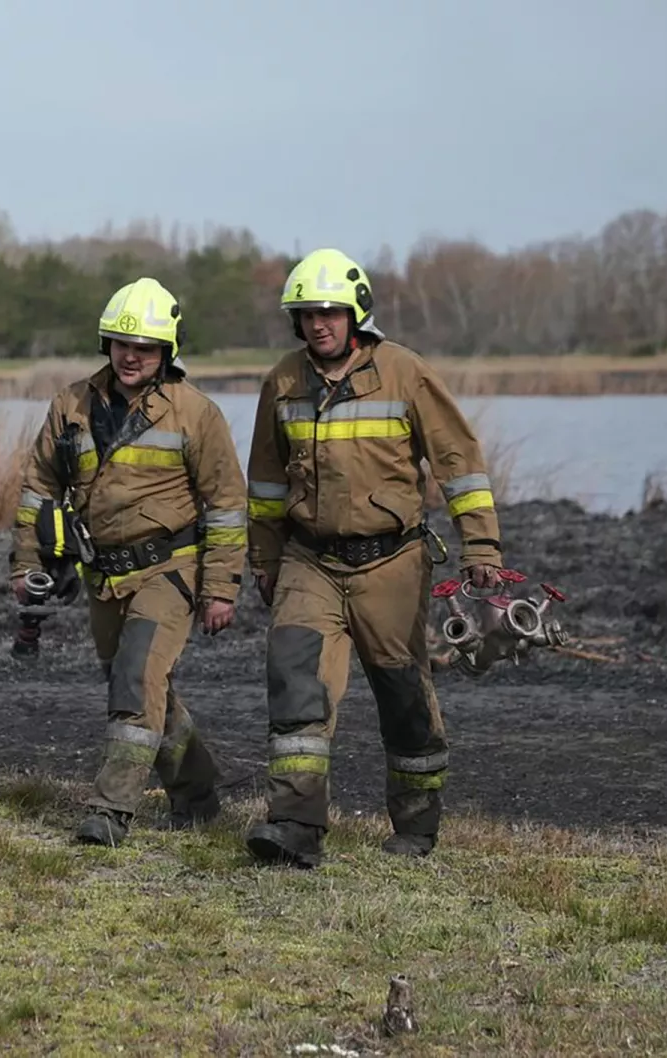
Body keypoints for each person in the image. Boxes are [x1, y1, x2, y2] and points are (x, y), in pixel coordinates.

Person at [241, 248, 506, 868]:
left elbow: (459, 466)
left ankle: (415, 826)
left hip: (392, 564)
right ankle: (294, 825)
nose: (318, 325)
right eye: (306, 315)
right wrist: (264, 560)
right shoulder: (281, 382)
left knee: (402, 691)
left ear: (356, 312)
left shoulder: (405, 373)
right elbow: (267, 483)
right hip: (310, 561)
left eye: (330, 312)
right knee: (295, 683)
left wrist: (482, 545)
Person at [9, 277, 249, 847]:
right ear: (106, 344)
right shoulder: (70, 404)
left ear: (167, 350)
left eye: (144, 346)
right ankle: (198, 796)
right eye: (121, 343)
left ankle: (112, 809)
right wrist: (26, 565)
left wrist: (221, 588)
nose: (131, 355)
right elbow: (37, 490)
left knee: (138, 675)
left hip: (171, 570)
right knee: (137, 684)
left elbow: (227, 504)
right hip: (103, 574)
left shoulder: (196, 412)